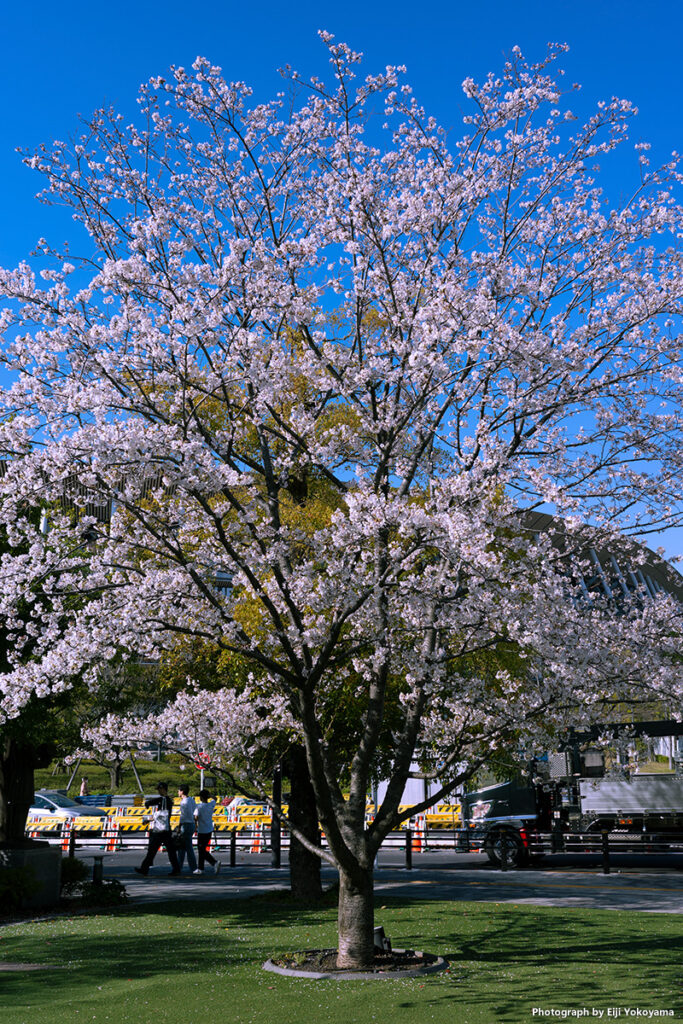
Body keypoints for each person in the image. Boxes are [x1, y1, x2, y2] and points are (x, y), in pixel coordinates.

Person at [134, 782, 181, 876]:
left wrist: (148, 803)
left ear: (163, 789)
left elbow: (158, 807)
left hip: (160, 831)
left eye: (159, 789)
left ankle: (144, 869)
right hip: (166, 830)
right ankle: (176, 869)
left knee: (152, 850)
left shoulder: (164, 800)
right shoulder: (167, 800)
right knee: (170, 851)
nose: (158, 791)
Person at [195, 789, 221, 874]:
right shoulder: (211, 805)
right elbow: (216, 799)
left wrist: (195, 826)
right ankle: (201, 868)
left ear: (200, 797)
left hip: (201, 830)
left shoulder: (198, 807)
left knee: (201, 849)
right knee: (202, 849)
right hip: (209, 829)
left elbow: (195, 817)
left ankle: (213, 863)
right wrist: (210, 796)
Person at [177, 784, 201, 875]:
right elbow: (196, 812)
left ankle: (193, 867)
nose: (178, 792)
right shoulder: (191, 799)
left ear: (182, 791)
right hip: (191, 824)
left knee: (187, 847)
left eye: (179, 790)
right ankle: (179, 866)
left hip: (185, 825)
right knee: (183, 847)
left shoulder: (183, 802)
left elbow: (182, 817)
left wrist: (179, 827)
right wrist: (195, 823)